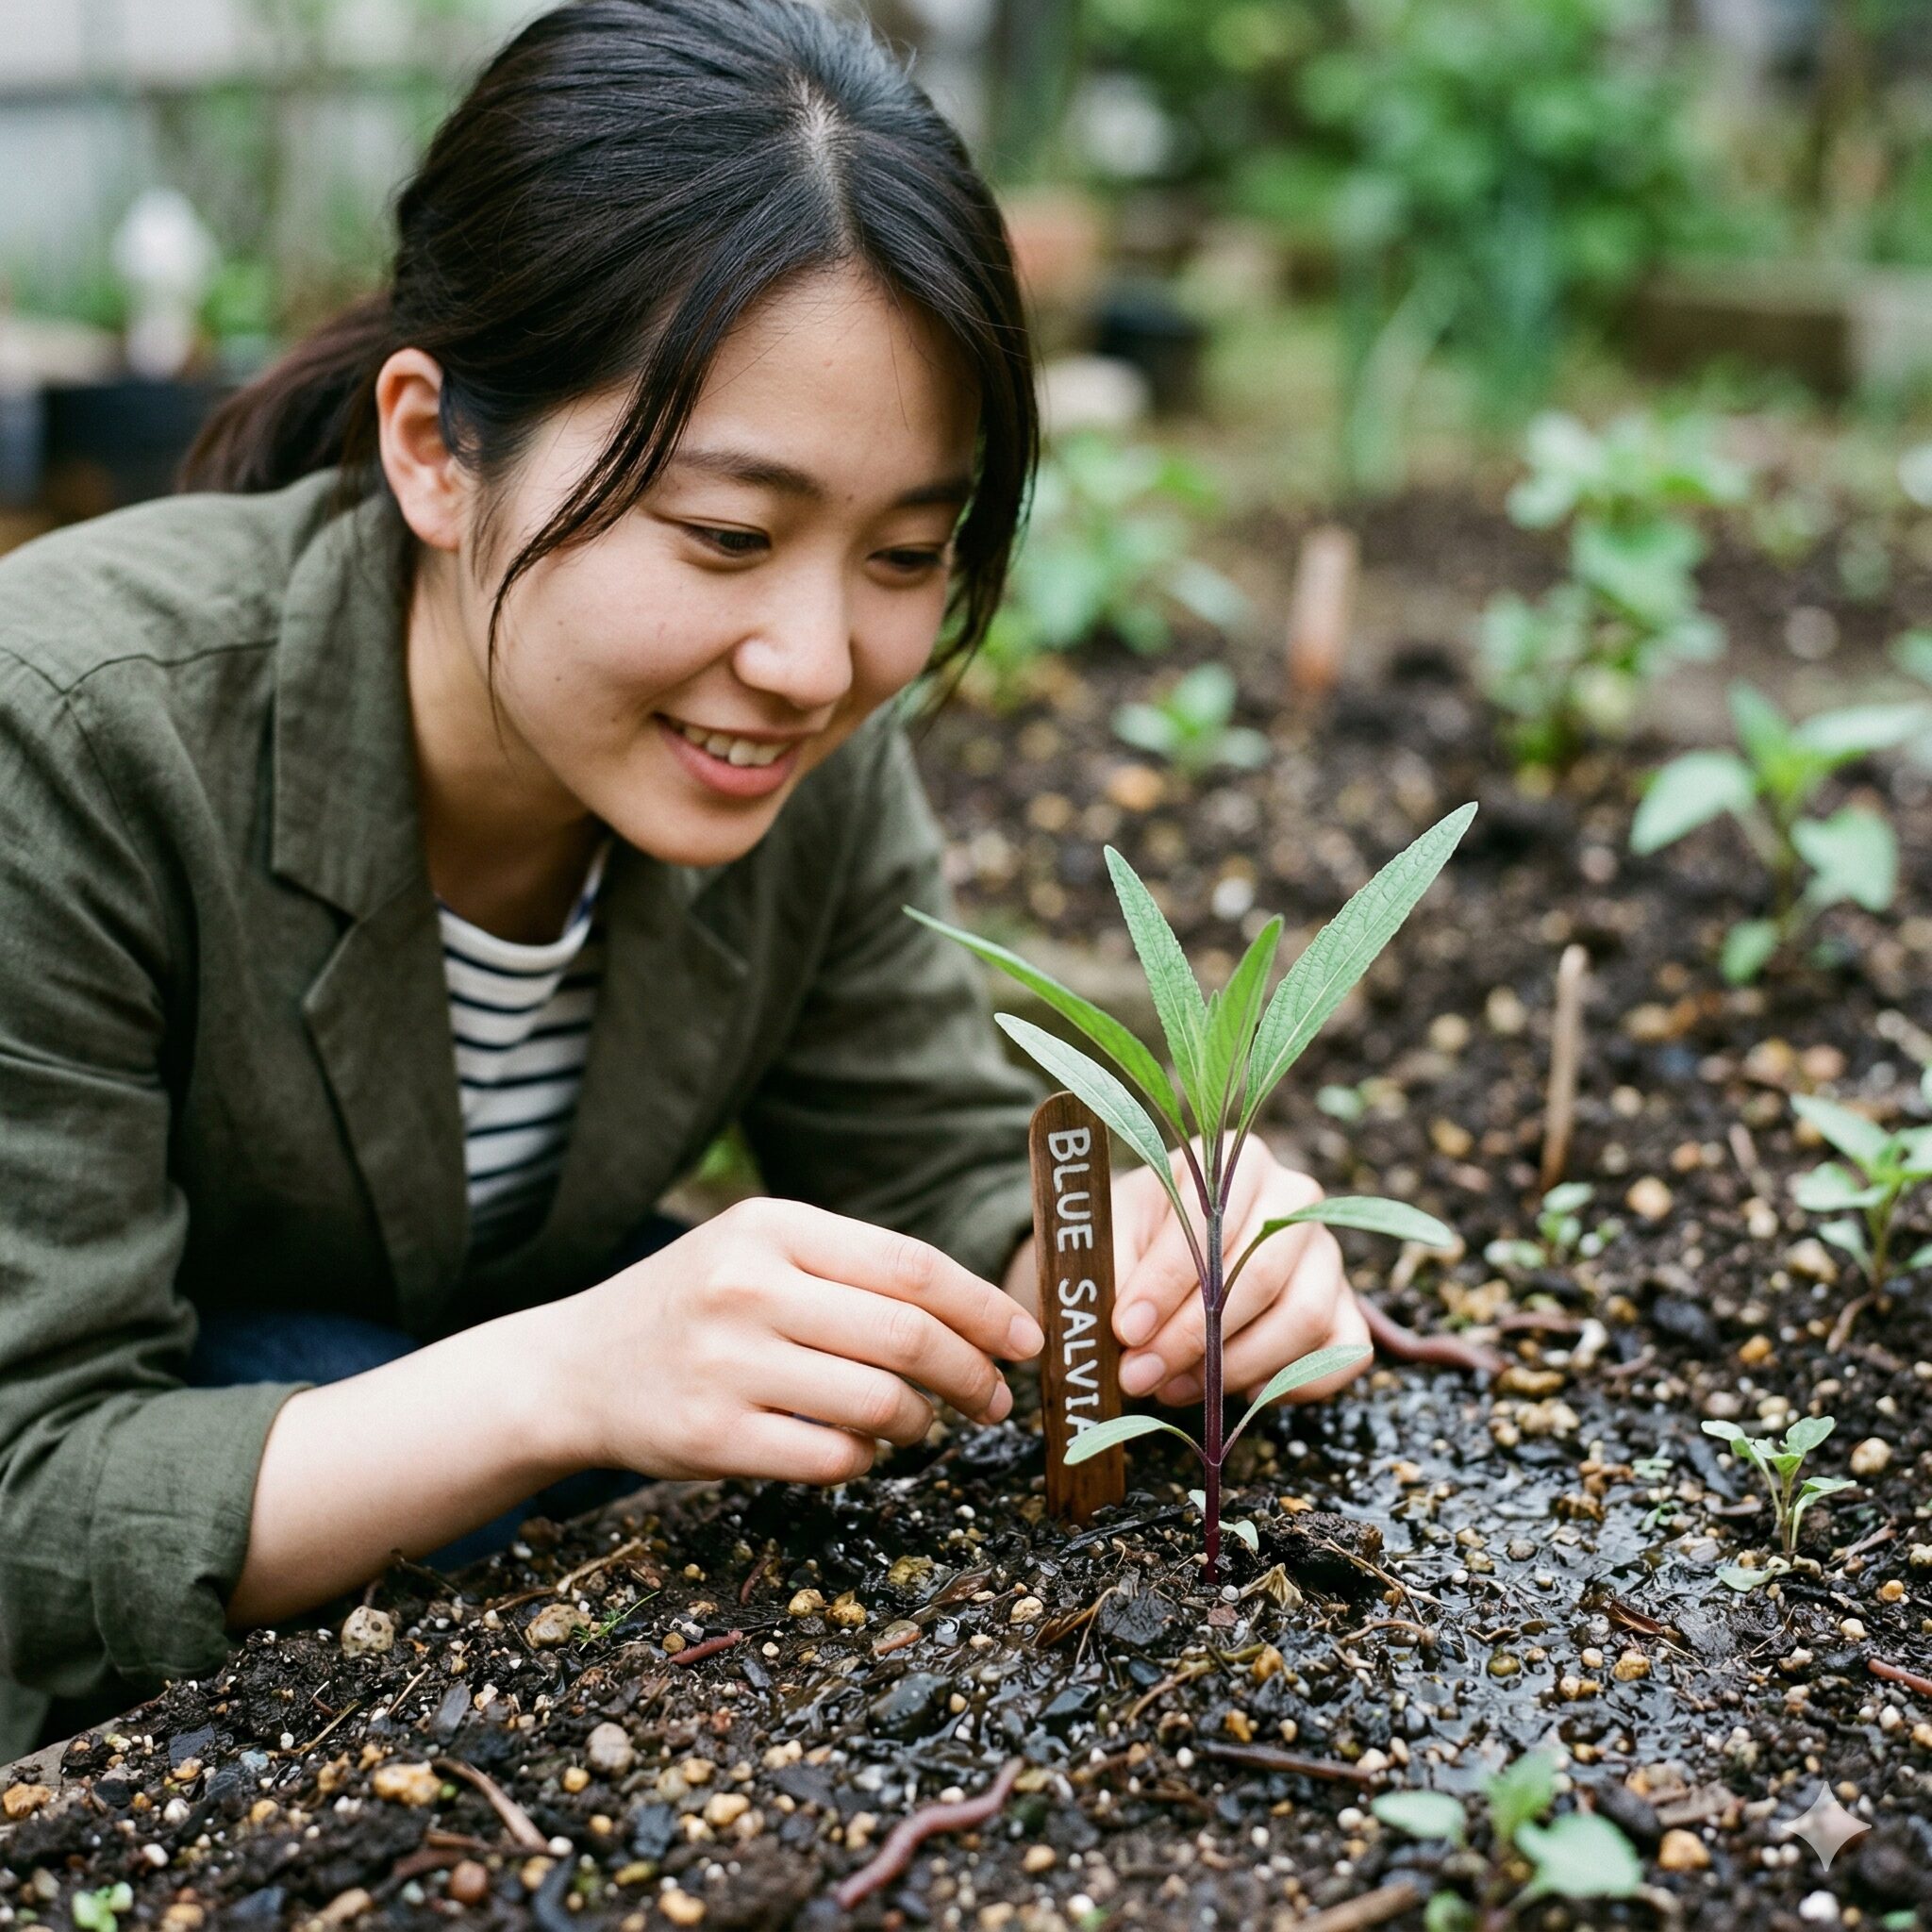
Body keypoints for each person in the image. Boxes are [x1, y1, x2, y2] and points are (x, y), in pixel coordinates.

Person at [0, 0, 1367, 1762]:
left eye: (904, 554)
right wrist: (573, 1376)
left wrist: (1169, 1270)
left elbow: (936, 1168)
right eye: (725, 534)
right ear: (432, 448)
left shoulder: (789, 751)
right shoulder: (77, 737)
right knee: (318, 1353)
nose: (813, 659)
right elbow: (30, 1497)